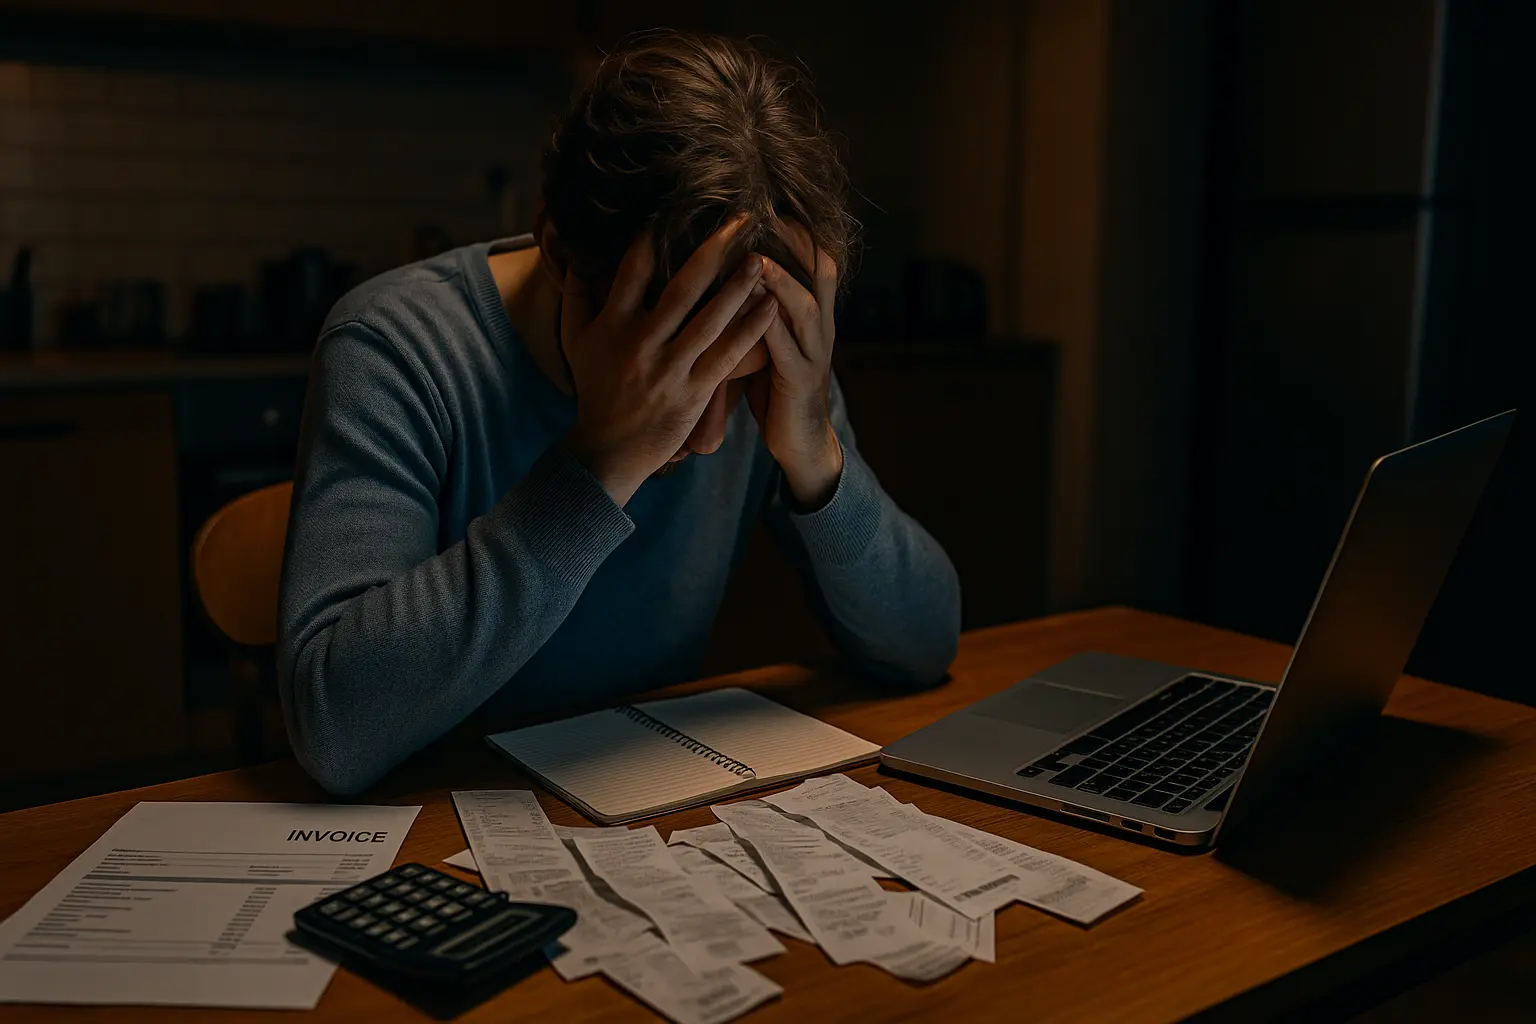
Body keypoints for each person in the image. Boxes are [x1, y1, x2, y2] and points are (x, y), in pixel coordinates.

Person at [278, 30, 961, 797]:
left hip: (636, 805)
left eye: (734, 384)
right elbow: (334, 731)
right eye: (676, 375)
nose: (707, 438)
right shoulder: (395, 346)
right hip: (434, 820)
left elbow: (925, 645)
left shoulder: (773, 349)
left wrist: (816, 455)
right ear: (558, 255)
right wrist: (600, 464)